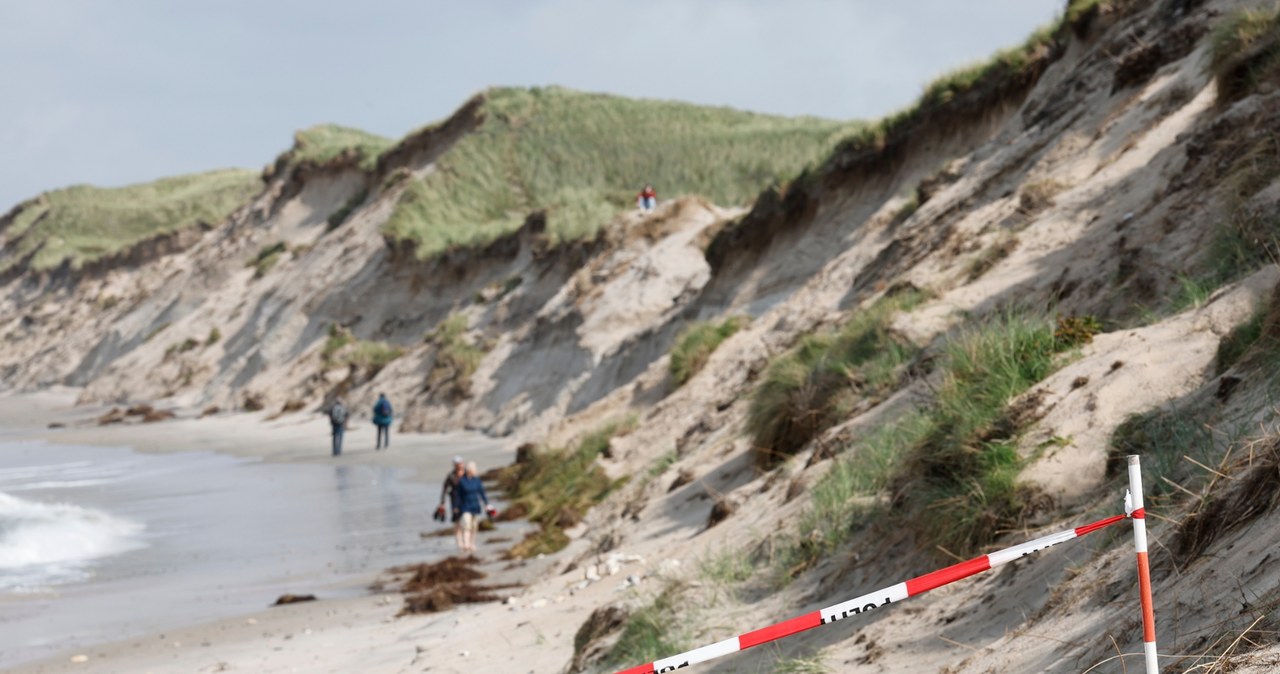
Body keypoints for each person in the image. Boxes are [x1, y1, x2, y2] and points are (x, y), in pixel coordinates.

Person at [453, 461, 495, 554]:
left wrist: (487, 504)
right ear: (469, 470)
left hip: (475, 507)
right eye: (474, 469)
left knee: (474, 527)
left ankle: (472, 544)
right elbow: (458, 495)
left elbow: (482, 493)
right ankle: (466, 545)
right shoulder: (462, 481)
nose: (475, 471)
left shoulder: (477, 480)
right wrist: (455, 506)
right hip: (465, 507)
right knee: (466, 525)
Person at [436, 457, 465, 523]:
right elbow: (444, 490)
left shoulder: (467, 474)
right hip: (455, 501)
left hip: (467, 500)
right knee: (457, 521)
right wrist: (442, 503)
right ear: (454, 465)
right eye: (458, 464)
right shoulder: (451, 476)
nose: (460, 465)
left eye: (461, 463)